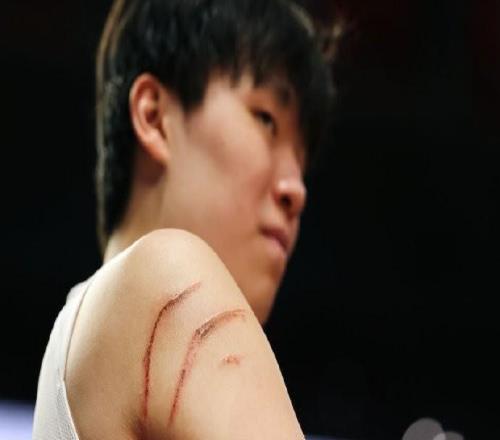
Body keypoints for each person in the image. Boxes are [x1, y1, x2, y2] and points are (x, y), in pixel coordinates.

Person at [33, 0, 334, 438]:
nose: (296, 188)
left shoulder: (74, 343)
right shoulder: (166, 272)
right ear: (155, 117)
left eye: (302, 159)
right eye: (266, 119)